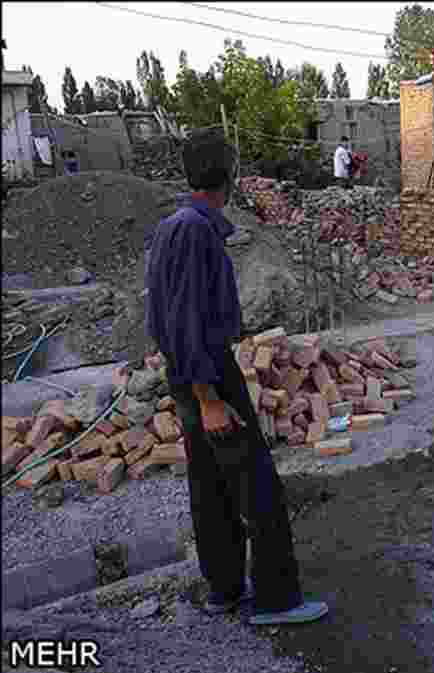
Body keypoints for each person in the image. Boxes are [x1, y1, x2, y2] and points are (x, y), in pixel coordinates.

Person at [145, 129, 329, 626]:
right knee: (258, 489)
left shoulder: (177, 226)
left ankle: (224, 588)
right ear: (227, 175)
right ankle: (276, 599)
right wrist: (208, 398)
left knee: (212, 487)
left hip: (192, 372)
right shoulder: (193, 231)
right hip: (205, 373)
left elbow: (167, 319)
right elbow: (184, 321)